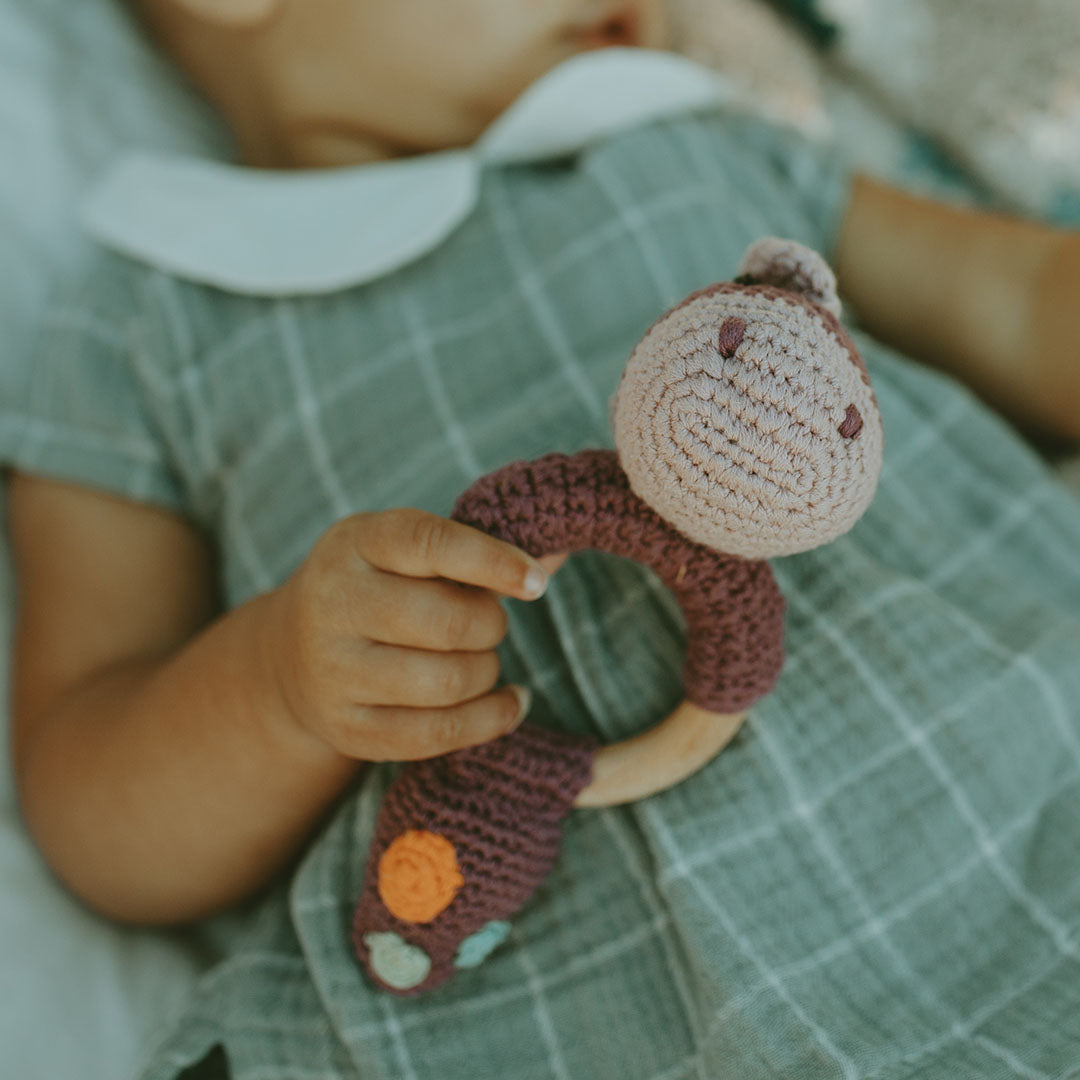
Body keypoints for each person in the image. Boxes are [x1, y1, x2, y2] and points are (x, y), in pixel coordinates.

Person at [3, 1, 1080, 1076]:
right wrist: (278, 685)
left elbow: (1023, 299)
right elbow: (90, 794)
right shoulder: (140, 322)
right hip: (560, 1001)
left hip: (1025, 814)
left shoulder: (692, 146)